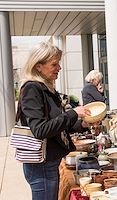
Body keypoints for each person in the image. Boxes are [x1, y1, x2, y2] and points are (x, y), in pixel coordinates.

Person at [18, 42, 92, 200]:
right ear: (38, 66)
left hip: (47, 163)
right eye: (54, 64)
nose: (59, 68)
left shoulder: (45, 88)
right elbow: (40, 130)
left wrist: (82, 124)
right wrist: (73, 114)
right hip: (41, 165)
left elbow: (57, 125)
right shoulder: (32, 89)